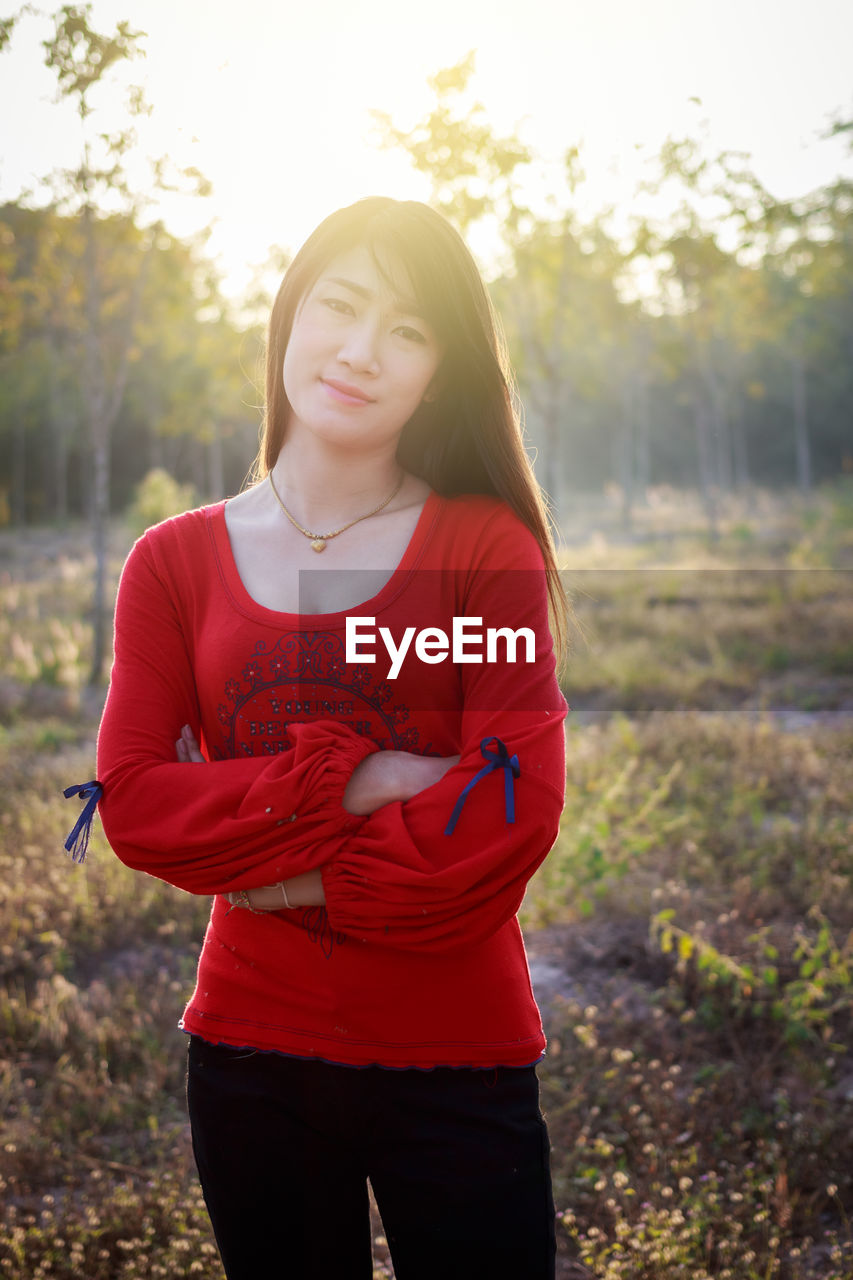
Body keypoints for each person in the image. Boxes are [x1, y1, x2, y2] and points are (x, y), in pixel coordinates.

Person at [89, 196, 570, 1279]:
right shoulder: (172, 562)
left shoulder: (479, 547)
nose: (361, 350)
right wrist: (362, 781)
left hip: (459, 1053)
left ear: (439, 372)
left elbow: (511, 808)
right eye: (340, 305)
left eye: (407, 329)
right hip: (250, 1054)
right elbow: (132, 799)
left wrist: (272, 873)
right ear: (289, 316)